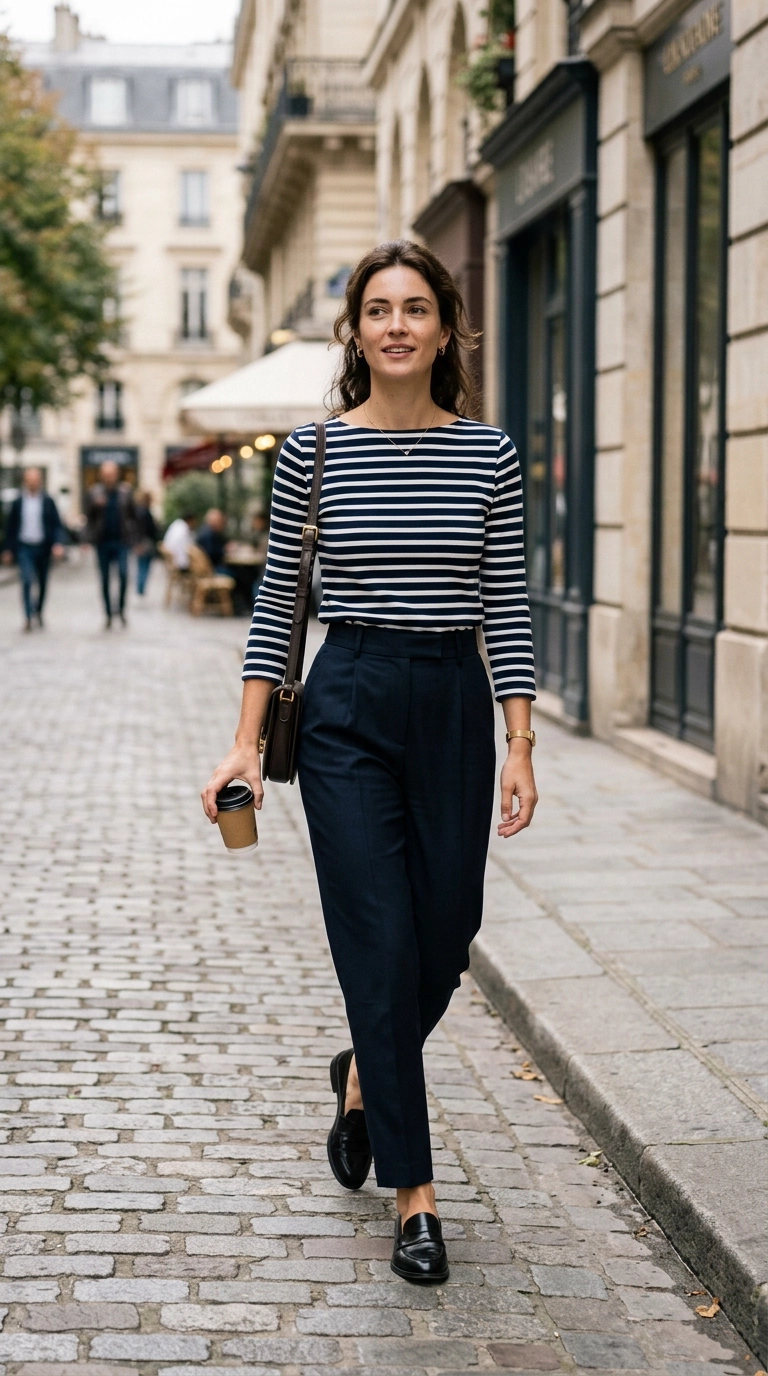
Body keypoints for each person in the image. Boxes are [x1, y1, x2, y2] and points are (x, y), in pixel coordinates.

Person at [202, 241, 538, 1285]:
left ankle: (361, 1075)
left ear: (446, 330)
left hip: (449, 705)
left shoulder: (490, 454)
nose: (397, 324)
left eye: (417, 308)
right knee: (379, 944)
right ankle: (416, 1196)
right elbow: (277, 606)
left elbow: (508, 608)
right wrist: (247, 740)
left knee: (447, 930)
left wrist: (519, 739)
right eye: (378, 309)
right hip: (345, 701)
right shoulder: (311, 452)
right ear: (356, 331)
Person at [1, 467, 65, 631]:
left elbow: (57, 525)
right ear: (25, 481)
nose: (33, 483)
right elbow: (11, 527)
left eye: (35, 480)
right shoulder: (18, 502)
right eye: (30, 480)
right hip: (24, 547)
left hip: (43, 547)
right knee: (27, 580)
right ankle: (28, 616)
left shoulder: (48, 501)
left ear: (40, 481)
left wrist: (58, 544)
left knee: (42, 583)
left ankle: (39, 611)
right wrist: (7, 549)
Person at [85, 460, 137, 628]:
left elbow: (134, 517)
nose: (109, 477)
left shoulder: (126, 492)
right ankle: (108, 614)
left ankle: (120, 610)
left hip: (121, 542)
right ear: (101, 475)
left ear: (116, 474)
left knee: (123, 575)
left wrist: (135, 539)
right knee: (105, 579)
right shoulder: (94, 492)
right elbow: (89, 518)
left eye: (112, 474)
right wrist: (95, 506)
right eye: (106, 474)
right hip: (102, 542)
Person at [134, 491, 159, 596]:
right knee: (144, 565)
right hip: (146, 542)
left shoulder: (139, 511)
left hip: (142, 541)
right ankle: (141, 587)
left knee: (141, 565)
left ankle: (140, 587)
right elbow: (147, 529)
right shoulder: (144, 512)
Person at [195, 508, 228, 573]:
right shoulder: (208, 535)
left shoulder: (206, 531)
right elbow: (211, 555)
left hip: (208, 569)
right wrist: (224, 550)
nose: (223, 524)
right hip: (210, 570)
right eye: (221, 521)